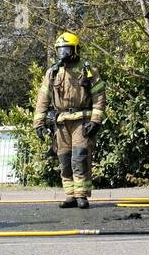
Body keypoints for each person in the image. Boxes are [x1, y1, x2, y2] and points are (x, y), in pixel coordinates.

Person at [33, 32, 106, 208]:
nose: (63, 54)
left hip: (82, 120)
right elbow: (43, 98)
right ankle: (70, 195)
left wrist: (95, 121)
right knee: (64, 159)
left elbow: (99, 96)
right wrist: (39, 123)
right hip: (61, 122)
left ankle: (82, 196)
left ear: (76, 50)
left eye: (66, 50)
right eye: (60, 51)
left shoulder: (88, 71)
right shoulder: (53, 72)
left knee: (80, 158)